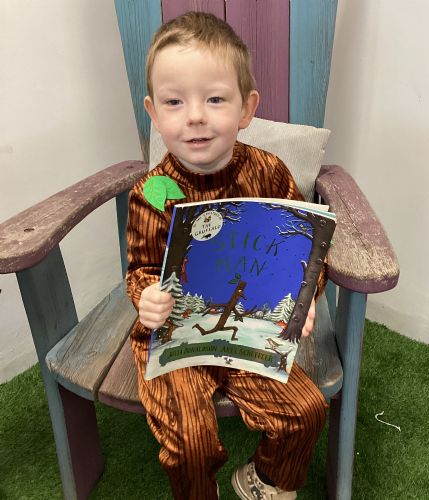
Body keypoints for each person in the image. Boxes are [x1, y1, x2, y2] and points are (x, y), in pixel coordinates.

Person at [126, 11, 328, 500]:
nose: (195, 115)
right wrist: (146, 296)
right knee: (189, 442)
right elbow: (141, 268)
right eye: (174, 102)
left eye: (215, 99)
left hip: (252, 329)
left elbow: (304, 251)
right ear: (154, 113)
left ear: (246, 108)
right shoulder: (153, 191)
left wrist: (305, 299)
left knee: (306, 411)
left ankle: (264, 479)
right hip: (174, 337)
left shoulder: (269, 172)